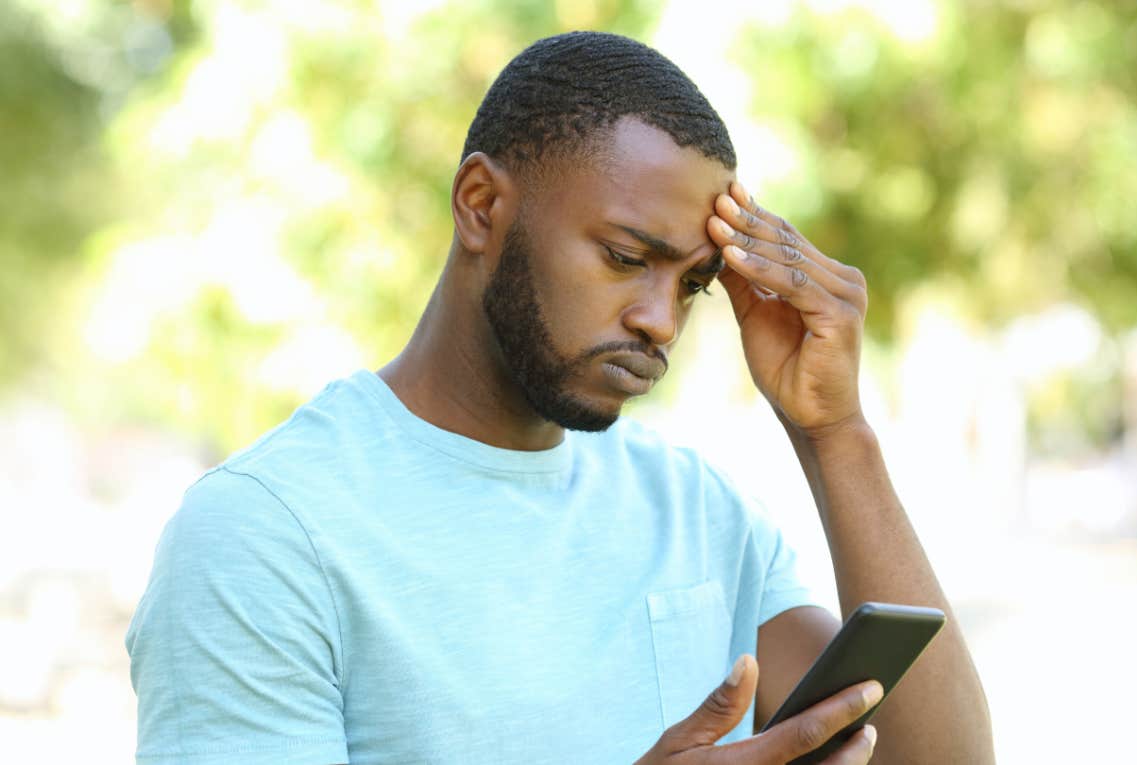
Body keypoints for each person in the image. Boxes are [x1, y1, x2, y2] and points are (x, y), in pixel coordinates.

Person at [125, 31, 994, 764]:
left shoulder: (697, 509)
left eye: (693, 283)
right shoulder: (265, 534)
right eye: (625, 256)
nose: (661, 320)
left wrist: (836, 434)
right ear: (480, 205)